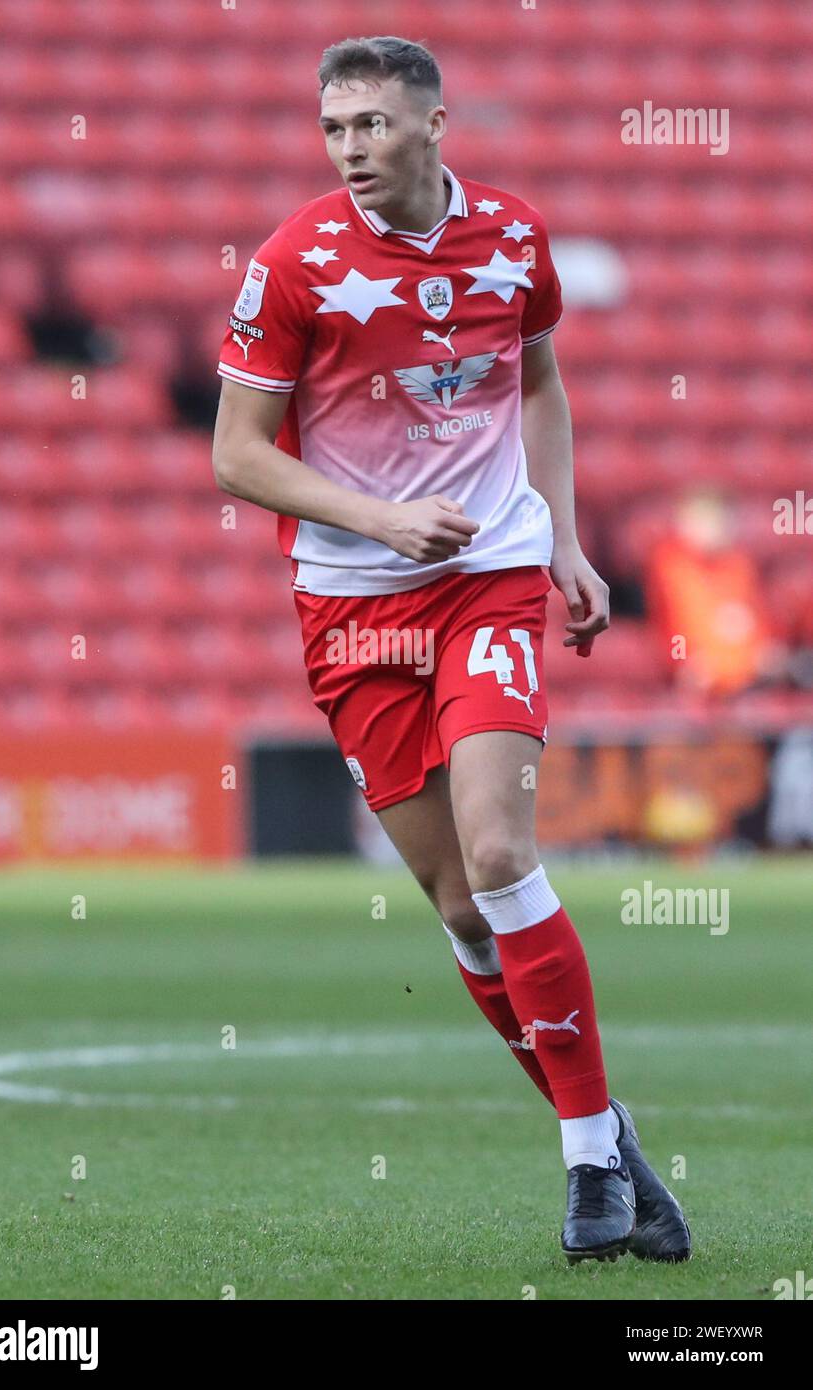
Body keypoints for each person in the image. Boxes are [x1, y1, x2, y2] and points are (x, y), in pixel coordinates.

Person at [212, 34, 690, 1264]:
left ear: (434, 124)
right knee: (459, 910)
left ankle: (584, 1166)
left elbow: (537, 384)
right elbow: (237, 454)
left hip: (485, 581)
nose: (351, 150)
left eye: (371, 124)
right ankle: (611, 1137)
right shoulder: (291, 263)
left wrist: (566, 547)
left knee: (497, 845)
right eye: (334, 129)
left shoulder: (514, 241)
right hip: (353, 606)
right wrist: (377, 519)